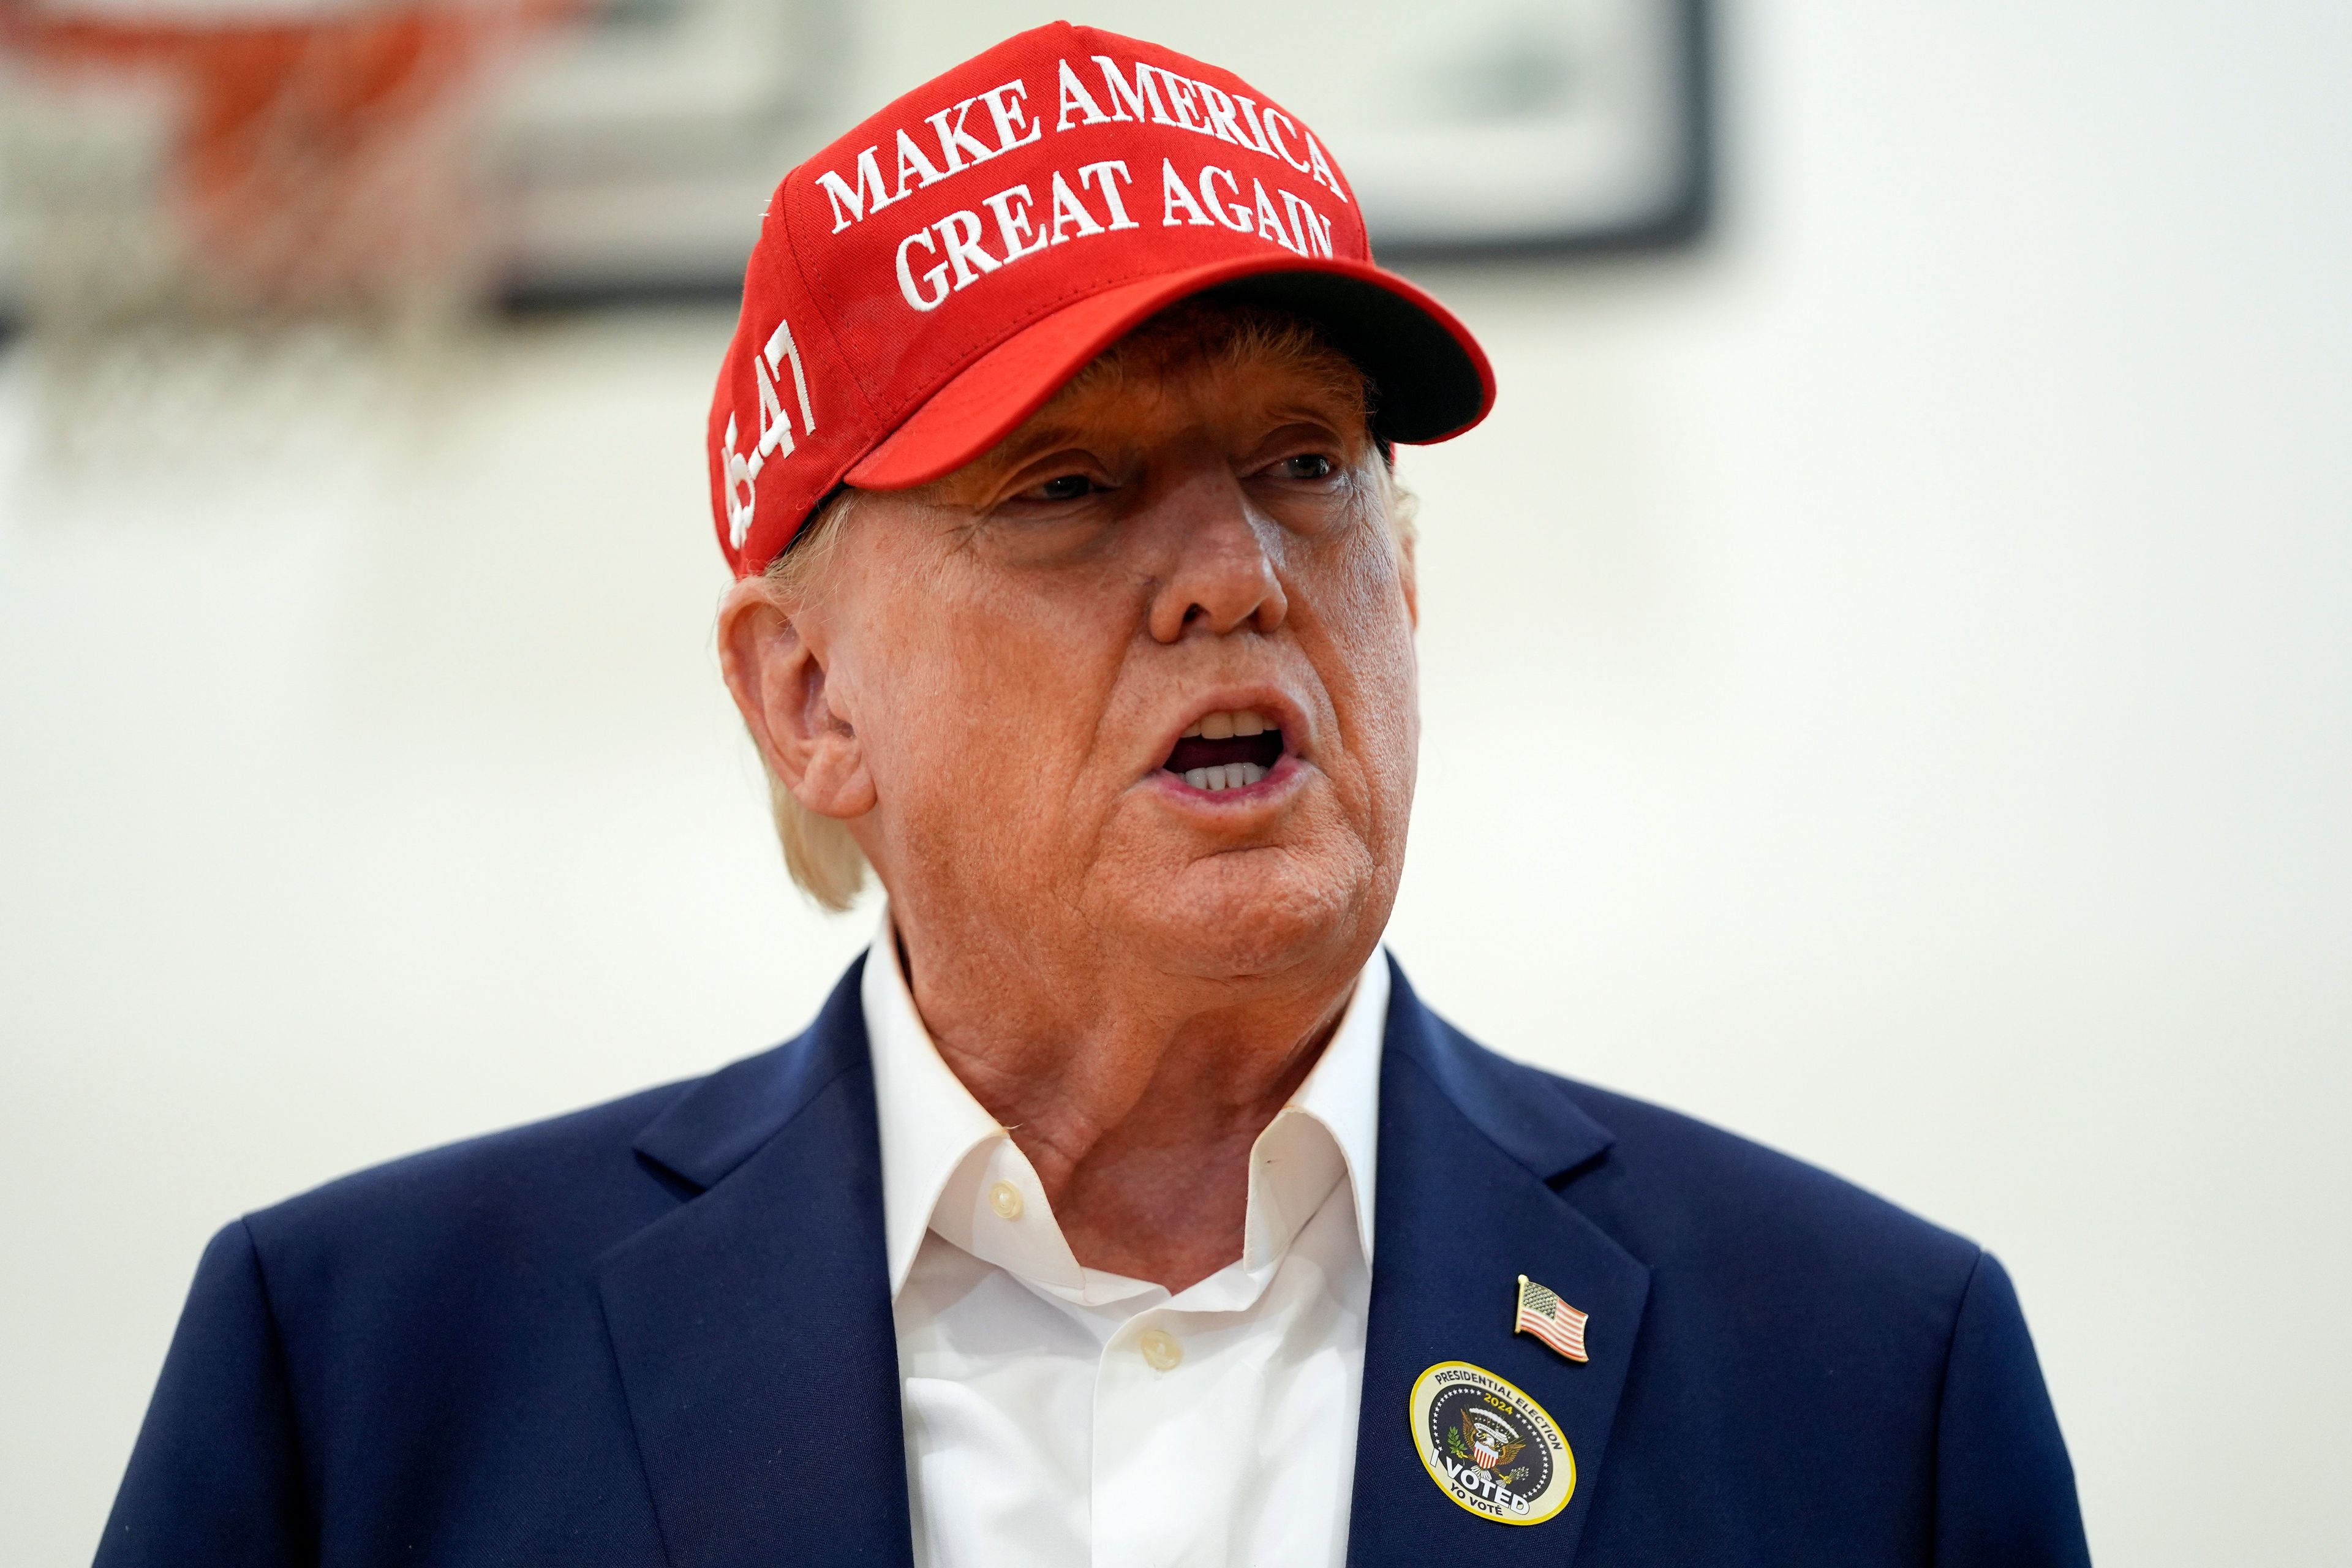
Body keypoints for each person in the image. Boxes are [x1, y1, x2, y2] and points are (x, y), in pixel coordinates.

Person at [98, 23, 2091, 1568]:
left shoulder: (1870, 1377)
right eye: (1067, 486)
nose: (1237, 568)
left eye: (1310, 462)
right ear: (807, 702)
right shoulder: (361, 1381)